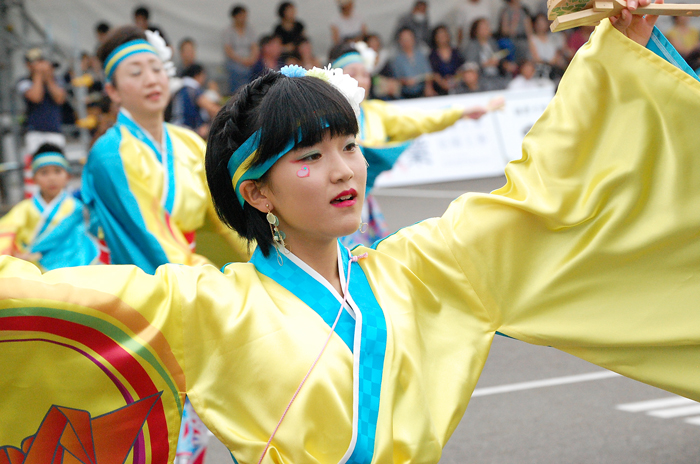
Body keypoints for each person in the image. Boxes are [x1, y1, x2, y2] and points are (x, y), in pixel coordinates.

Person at [3, 6, 700, 464]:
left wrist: (617, 52)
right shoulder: (212, 305)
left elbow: (546, 187)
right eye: (308, 157)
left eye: (347, 146)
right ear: (255, 192)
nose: (343, 171)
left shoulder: (424, 271)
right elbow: (47, 304)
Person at [82, 25, 248, 274]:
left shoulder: (189, 142)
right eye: (136, 73)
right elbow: (152, 242)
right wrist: (216, 284)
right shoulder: (108, 154)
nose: (151, 79)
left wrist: (269, 262)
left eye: (157, 68)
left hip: (188, 274)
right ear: (112, 91)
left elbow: (229, 216)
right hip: (135, 285)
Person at [330, 42, 488, 246]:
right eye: (352, 73)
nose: (361, 80)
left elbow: (419, 119)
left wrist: (460, 112)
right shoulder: (323, 117)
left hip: (360, 203)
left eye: (365, 74)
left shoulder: (376, 113)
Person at [0, 144, 99, 270]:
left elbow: (77, 242)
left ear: (67, 176)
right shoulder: (24, 208)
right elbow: (5, 232)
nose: (52, 178)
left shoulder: (75, 207)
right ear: (34, 178)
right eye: (44, 173)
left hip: (73, 265)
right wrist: (16, 254)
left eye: (58, 171)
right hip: (31, 267)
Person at [17, 48, 67, 154]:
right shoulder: (24, 81)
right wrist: (38, 75)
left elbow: (60, 99)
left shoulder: (56, 80)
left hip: (55, 131)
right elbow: (36, 97)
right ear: (28, 65)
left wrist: (49, 78)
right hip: (35, 132)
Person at [171, 64, 221, 138]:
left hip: (176, 128)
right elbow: (213, 109)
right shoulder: (192, 89)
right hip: (187, 131)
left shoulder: (181, 89)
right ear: (198, 75)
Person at [465, 18, 513, 90]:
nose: (487, 29)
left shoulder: (492, 42)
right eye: (483, 28)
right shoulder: (472, 45)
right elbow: (470, 65)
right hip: (482, 76)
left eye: (487, 27)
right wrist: (486, 64)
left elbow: (499, 58)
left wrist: (504, 64)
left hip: (496, 74)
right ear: (476, 30)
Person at [390, 27, 435, 98]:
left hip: (422, 92)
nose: (407, 41)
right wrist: (405, 81)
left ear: (413, 38)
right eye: (404, 39)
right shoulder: (397, 59)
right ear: (400, 41)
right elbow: (396, 78)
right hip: (405, 94)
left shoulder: (421, 55)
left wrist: (428, 87)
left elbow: (428, 74)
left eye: (409, 38)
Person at [223, 5, 259, 94]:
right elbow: (228, 50)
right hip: (235, 60)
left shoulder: (250, 29)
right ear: (235, 17)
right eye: (241, 16)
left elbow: (254, 46)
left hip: (249, 59)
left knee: (258, 68)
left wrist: (252, 58)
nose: (244, 18)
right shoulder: (228, 31)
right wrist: (242, 60)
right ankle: (237, 94)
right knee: (239, 71)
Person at [529, 13, 571, 80]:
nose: (541, 25)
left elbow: (559, 51)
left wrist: (555, 60)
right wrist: (548, 63)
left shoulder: (553, 37)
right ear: (534, 24)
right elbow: (535, 57)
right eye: (539, 23)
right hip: (540, 68)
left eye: (543, 22)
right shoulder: (532, 39)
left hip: (554, 66)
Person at [429, 24, 465, 95]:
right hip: (439, 88)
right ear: (435, 38)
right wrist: (443, 83)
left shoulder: (456, 52)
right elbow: (433, 73)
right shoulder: (432, 55)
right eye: (440, 35)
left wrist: (455, 80)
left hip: (457, 85)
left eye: (444, 34)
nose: (442, 37)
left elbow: (461, 68)